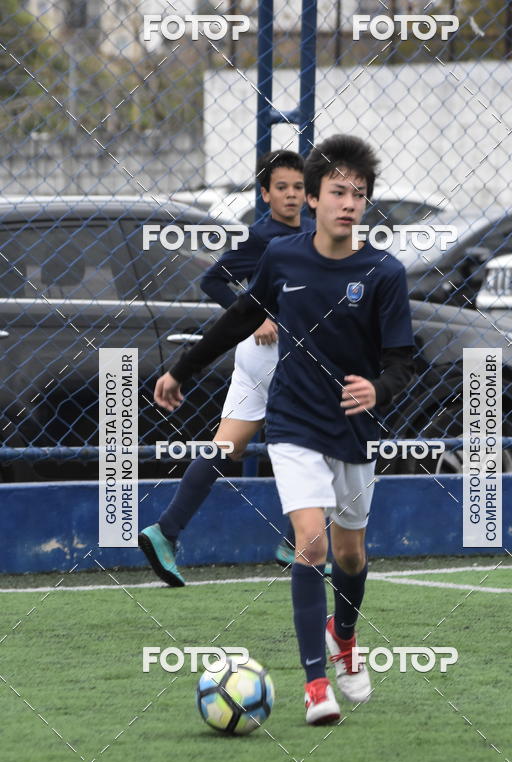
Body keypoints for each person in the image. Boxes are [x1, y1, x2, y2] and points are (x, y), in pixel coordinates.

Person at [152, 135, 415, 725]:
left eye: (360, 194)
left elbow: (402, 358)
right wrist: (181, 369)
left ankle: (342, 638)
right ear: (316, 200)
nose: (349, 203)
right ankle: (315, 686)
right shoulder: (284, 258)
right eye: (338, 192)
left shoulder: (385, 272)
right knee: (312, 544)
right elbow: (240, 317)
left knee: (350, 553)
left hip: (354, 426)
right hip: (295, 420)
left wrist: (381, 389)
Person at [139, 149, 322, 586]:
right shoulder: (262, 238)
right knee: (314, 442)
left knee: (227, 448)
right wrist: (258, 317)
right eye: (282, 188)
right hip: (271, 357)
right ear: (264, 193)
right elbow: (213, 280)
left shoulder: (314, 232)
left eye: (298, 187)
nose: (292, 195)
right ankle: (297, 543)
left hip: (278, 357)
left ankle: (165, 531)